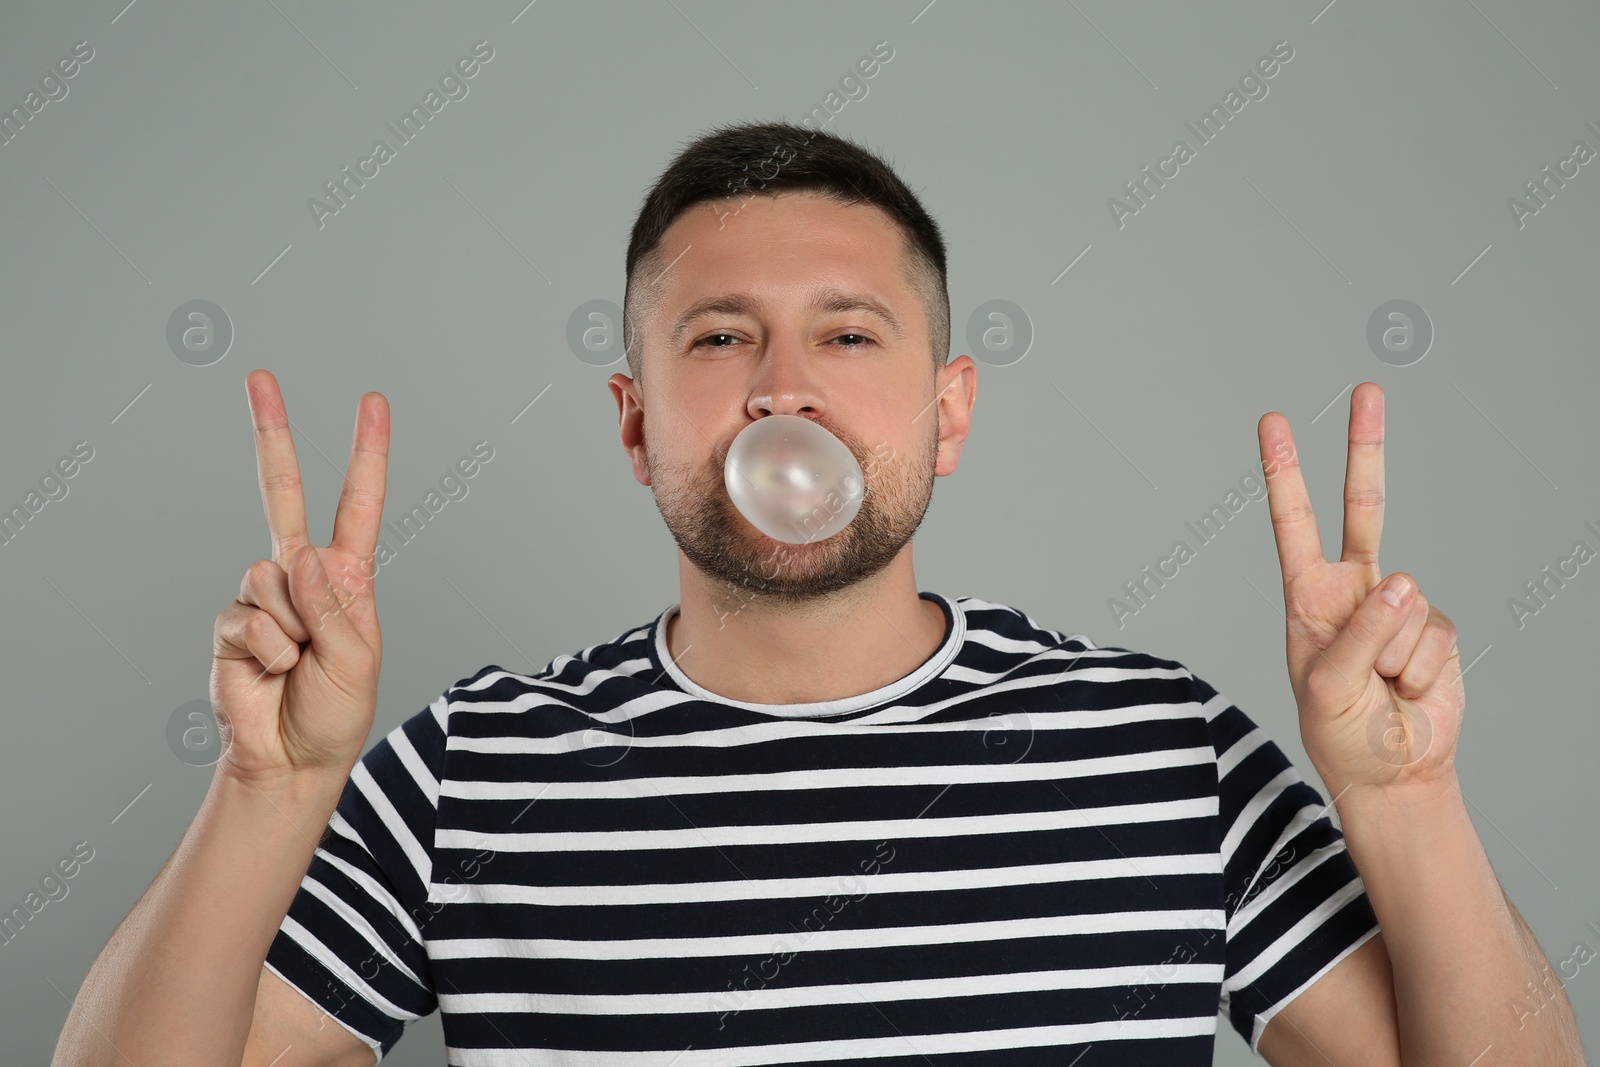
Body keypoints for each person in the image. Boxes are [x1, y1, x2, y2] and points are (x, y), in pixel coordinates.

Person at [54, 121, 1584, 1067]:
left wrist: (1411, 802)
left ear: (949, 408)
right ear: (638, 417)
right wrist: (268, 790)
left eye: (849, 336)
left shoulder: (1163, 747)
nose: (786, 391)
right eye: (720, 340)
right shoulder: (471, 770)